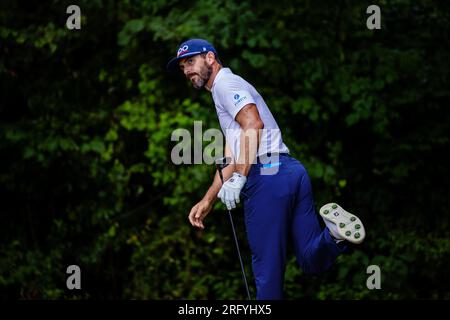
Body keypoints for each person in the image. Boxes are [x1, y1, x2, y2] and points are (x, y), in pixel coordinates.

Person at [167, 39, 366, 299]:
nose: (187, 70)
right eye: (183, 66)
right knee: (311, 260)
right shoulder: (223, 94)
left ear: (211, 59)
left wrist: (240, 177)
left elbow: (254, 124)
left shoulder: (226, 84)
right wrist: (208, 200)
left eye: (191, 62)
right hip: (291, 172)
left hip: (267, 176)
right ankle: (335, 235)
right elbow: (231, 157)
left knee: (267, 276)